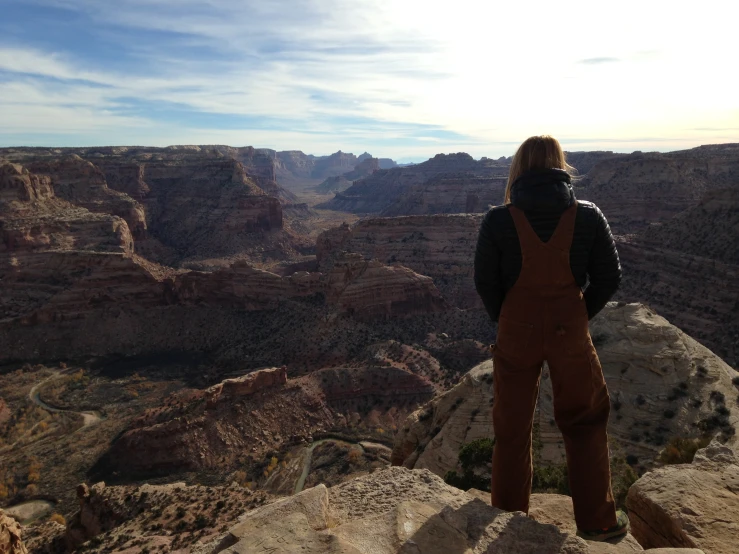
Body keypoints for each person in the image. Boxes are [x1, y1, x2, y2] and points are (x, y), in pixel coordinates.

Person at [474, 135, 628, 541]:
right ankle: (598, 522)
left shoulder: (498, 219)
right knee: (585, 420)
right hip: (569, 332)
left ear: (518, 168)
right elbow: (610, 277)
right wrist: (578, 315)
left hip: (516, 332)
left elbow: (485, 281)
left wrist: (506, 318)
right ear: (560, 164)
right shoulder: (589, 216)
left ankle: (510, 520)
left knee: (511, 426)